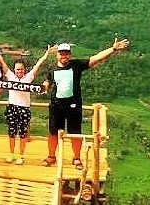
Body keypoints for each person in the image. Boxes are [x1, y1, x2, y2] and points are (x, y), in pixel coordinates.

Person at [41, 38, 129, 170]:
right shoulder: (52, 68)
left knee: (75, 132)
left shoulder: (76, 65)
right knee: (53, 132)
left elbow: (97, 58)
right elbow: (48, 81)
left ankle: (76, 158)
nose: (64, 55)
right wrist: (45, 86)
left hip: (74, 104)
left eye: (66, 53)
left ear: (69, 54)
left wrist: (114, 49)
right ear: (57, 54)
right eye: (61, 53)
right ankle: (51, 156)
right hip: (56, 105)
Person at [0, 46, 52, 165]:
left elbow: (37, 65)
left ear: (24, 69)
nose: (19, 71)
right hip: (12, 107)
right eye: (17, 69)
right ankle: (11, 154)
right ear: (14, 70)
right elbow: (2, 63)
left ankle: (21, 156)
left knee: (23, 133)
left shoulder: (29, 77)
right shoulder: (10, 76)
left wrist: (46, 54)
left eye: (21, 69)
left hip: (24, 108)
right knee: (11, 132)